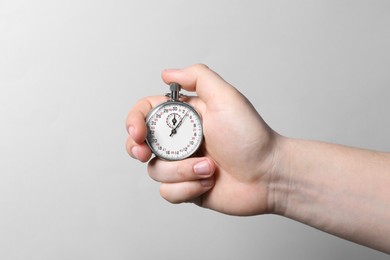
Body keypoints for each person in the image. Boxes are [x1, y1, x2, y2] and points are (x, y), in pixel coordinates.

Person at [125, 64, 390, 254]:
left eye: (176, 125)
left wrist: (272, 171)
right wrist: (271, 172)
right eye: (170, 127)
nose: (172, 129)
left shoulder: (180, 116)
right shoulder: (169, 119)